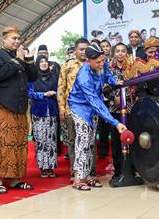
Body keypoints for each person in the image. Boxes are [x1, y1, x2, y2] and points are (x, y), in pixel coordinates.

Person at [0, 26, 37, 193]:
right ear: (4, 40)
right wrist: (18, 61)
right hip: (2, 105)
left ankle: (15, 179)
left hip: (20, 107)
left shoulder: (19, 56)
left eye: (18, 38)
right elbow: (0, 73)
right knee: (1, 142)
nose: (17, 41)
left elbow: (33, 77)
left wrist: (28, 60)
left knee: (19, 143)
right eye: (13, 38)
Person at [68, 44, 127, 191]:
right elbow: (96, 103)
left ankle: (87, 176)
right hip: (80, 107)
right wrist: (115, 123)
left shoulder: (102, 63)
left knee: (90, 142)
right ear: (89, 61)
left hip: (93, 108)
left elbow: (106, 74)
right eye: (98, 62)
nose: (102, 64)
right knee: (82, 142)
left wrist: (114, 82)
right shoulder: (84, 77)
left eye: (103, 60)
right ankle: (78, 178)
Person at [58, 38, 89, 180]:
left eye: (86, 49)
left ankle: (89, 172)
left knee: (88, 141)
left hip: (89, 110)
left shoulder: (93, 65)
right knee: (72, 140)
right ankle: (75, 172)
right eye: (81, 49)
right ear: (75, 50)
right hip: (71, 109)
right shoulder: (67, 66)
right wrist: (61, 107)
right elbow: (61, 87)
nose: (83, 52)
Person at [104, 42, 136, 184]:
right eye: (118, 51)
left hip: (130, 109)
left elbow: (137, 84)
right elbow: (104, 87)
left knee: (132, 139)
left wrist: (130, 95)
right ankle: (118, 172)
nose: (120, 54)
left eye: (123, 51)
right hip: (114, 111)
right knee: (117, 141)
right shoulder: (108, 68)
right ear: (113, 53)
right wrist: (113, 97)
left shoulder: (132, 67)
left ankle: (133, 170)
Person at [28, 55, 59, 178]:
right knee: (41, 141)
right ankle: (42, 167)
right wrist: (43, 94)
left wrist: (54, 93)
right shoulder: (33, 78)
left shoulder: (54, 77)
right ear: (37, 64)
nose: (44, 63)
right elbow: (29, 94)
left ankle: (51, 167)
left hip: (51, 111)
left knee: (51, 140)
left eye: (45, 61)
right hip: (38, 112)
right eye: (41, 62)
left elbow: (59, 90)